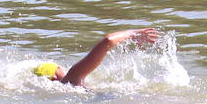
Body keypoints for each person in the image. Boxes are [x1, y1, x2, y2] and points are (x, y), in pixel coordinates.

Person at [31, 28, 161, 88]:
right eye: (58, 68)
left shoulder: (66, 89)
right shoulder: (71, 77)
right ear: (54, 76)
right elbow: (108, 41)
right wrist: (132, 33)